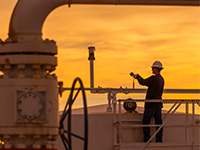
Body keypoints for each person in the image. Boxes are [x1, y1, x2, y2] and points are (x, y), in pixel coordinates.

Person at [130, 61, 164, 142]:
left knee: (145, 121)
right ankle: (159, 139)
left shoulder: (154, 78)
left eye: (153, 68)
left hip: (151, 104)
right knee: (158, 122)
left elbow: (143, 82)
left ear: (156, 69)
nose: (152, 69)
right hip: (158, 104)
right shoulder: (161, 79)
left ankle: (147, 139)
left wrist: (138, 77)